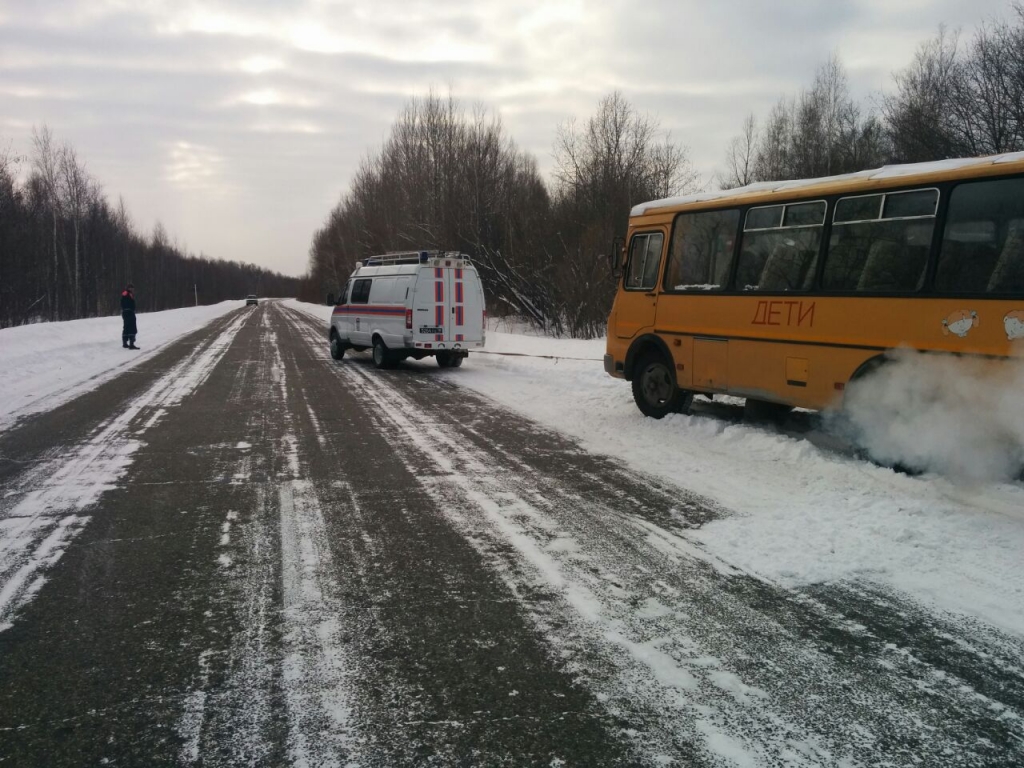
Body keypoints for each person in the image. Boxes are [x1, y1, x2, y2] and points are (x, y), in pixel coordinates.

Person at [121, 283, 139, 349]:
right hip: (130, 312)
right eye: (131, 288)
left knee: (126, 327)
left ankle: (125, 343)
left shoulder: (124, 294)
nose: (132, 289)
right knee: (132, 327)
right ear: (128, 288)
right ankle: (131, 344)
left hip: (124, 312)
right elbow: (130, 303)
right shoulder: (129, 294)